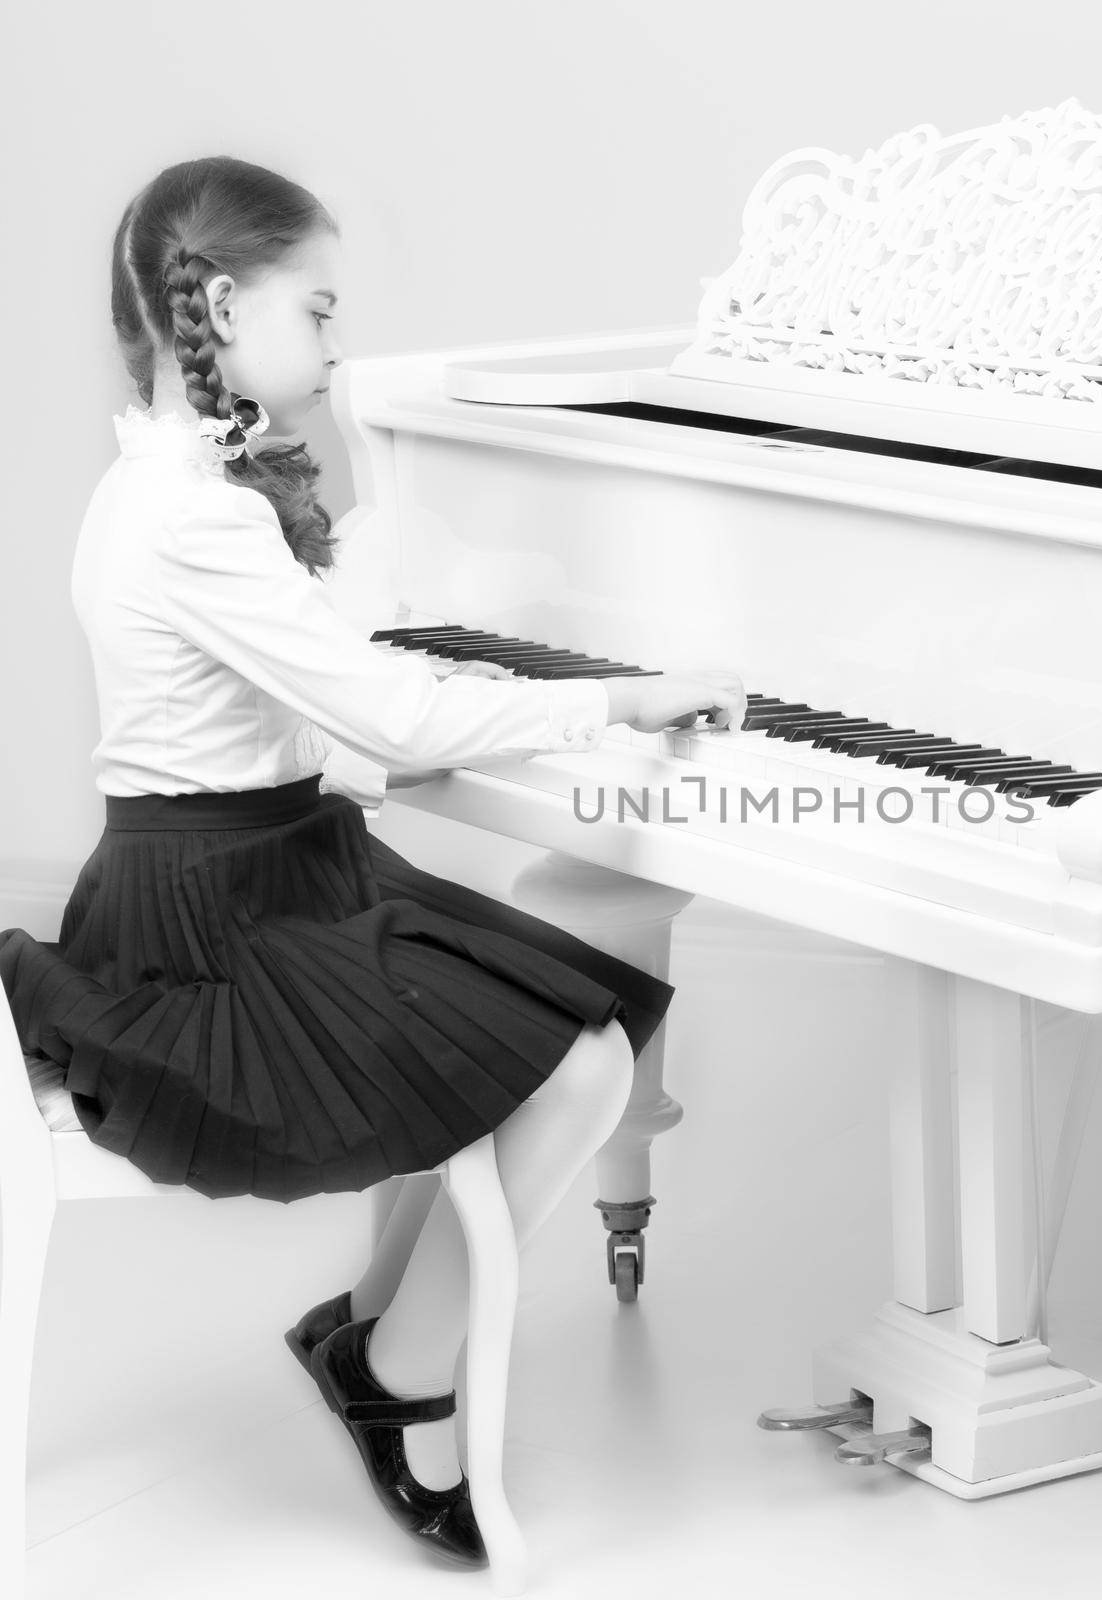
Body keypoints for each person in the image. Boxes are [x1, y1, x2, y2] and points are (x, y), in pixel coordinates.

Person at [0, 155, 745, 1569]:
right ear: (221, 304)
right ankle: (398, 1374)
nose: (340, 351)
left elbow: (289, 699)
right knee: (577, 1063)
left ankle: (371, 1332)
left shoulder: (165, 482)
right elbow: (386, 705)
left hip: (275, 864)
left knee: (550, 1027)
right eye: (320, 313)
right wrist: (614, 697)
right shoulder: (188, 514)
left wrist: (397, 709)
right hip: (210, 925)